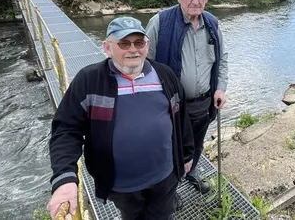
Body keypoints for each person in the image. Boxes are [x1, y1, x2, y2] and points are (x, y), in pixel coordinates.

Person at [46, 16, 194, 220]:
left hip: (165, 176)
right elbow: (66, 130)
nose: (133, 49)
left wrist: (186, 155)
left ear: (147, 45)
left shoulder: (165, 75)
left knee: (162, 216)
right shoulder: (89, 80)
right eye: (124, 43)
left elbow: (181, 117)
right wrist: (65, 178)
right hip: (121, 185)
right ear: (107, 47)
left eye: (139, 42)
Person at [146, 0, 229, 195]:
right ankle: (170, 191)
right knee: (171, 149)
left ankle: (192, 173)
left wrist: (220, 87)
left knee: (197, 144)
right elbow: (145, 66)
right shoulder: (160, 23)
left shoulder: (212, 23)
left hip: (203, 103)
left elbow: (222, 59)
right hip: (171, 107)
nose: (195, 0)